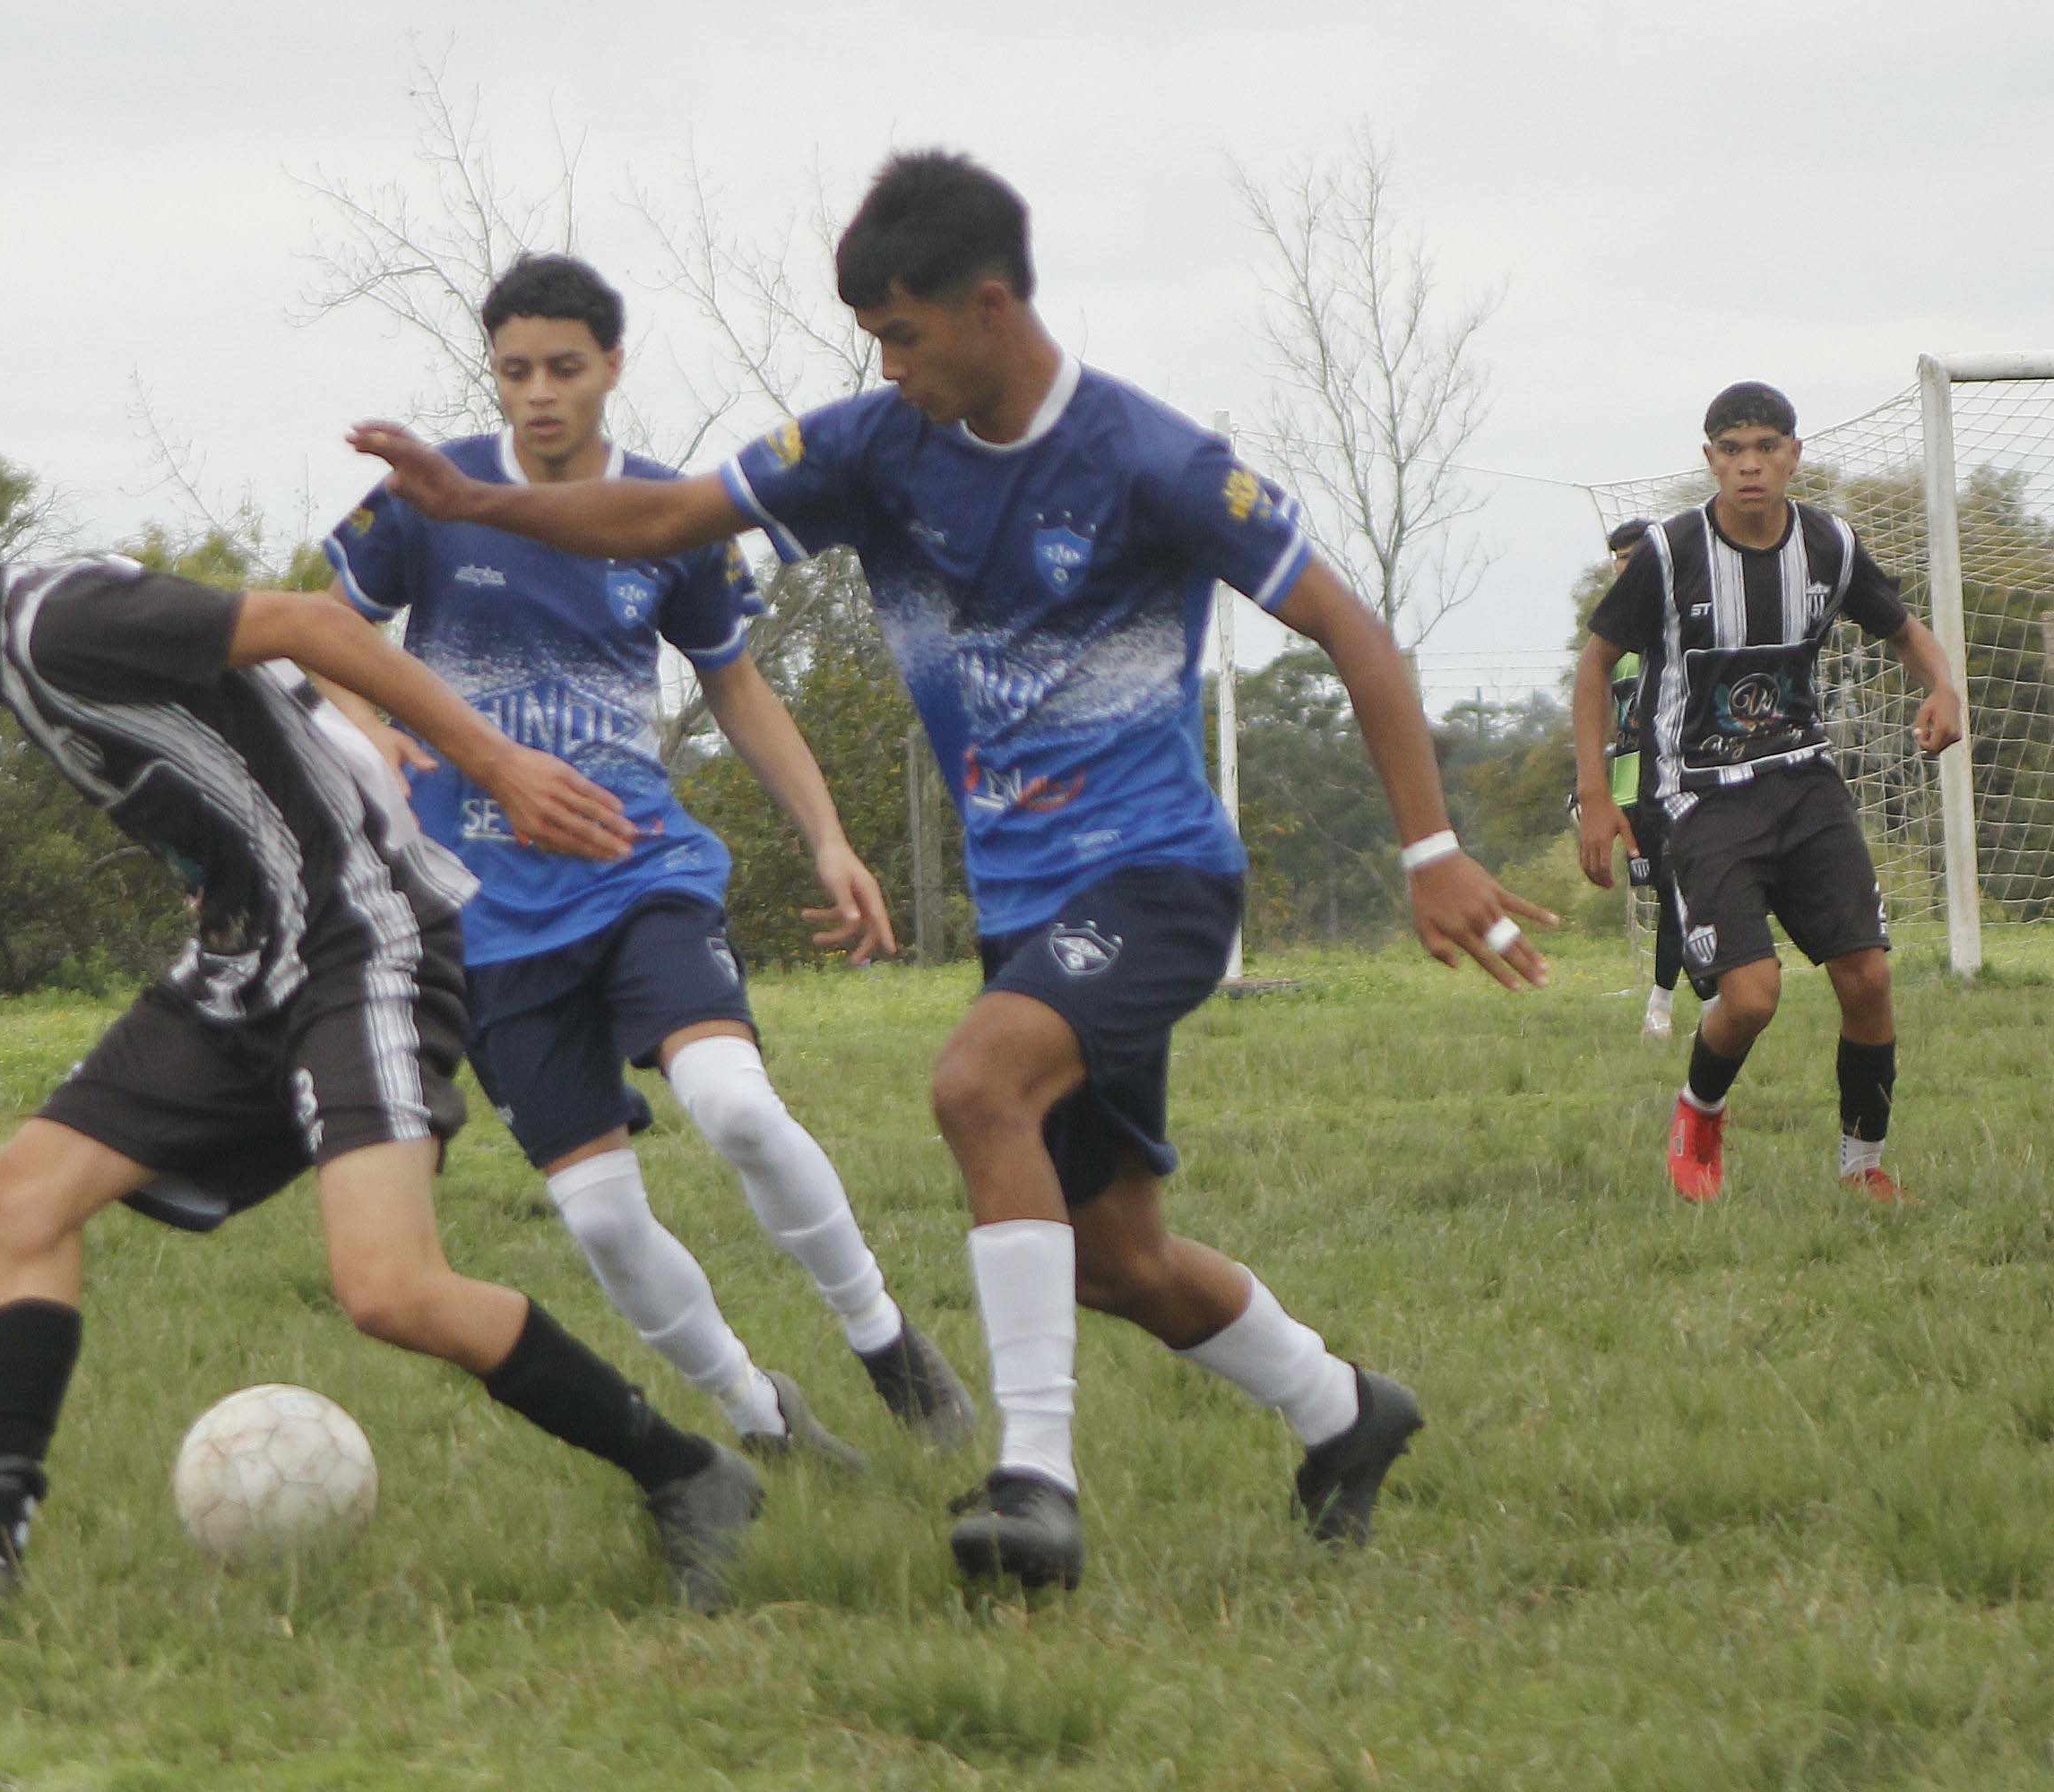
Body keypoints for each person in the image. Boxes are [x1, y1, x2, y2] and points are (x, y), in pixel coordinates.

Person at [350, 151, 1554, 1589]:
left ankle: (1033, 1482)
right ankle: (1343, 1410)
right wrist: (471, 508)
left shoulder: (1152, 461)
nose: (886, 363)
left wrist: (1432, 850)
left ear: (988, 307)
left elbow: (1357, 632)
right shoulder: (872, 445)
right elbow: (666, 522)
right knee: (1114, 1259)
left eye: (901, 334)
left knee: (978, 1082)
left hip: (1158, 876)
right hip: (1031, 903)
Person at [0, 480, 764, 1616]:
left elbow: (312, 623)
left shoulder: (55, 622)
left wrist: (491, 762)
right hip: (250, 961)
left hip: (360, 944)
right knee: (22, 1198)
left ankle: (690, 1473)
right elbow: (257, 693)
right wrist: (288, 802)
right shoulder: (27, 656)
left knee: (390, 1288)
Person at [320, 253, 973, 1469]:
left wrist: (829, 838)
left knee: (732, 1103)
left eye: (565, 368)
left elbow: (735, 682)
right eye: (515, 371)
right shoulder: (431, 493)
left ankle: (884, 1339)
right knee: (602, 1217)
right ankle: (760, 1417)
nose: (539, 394)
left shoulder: (668, 513)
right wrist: (369, 722)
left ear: (612, 367)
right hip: (489, 916)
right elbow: (315, 634)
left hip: (640, 872)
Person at [1572, 382, 1964, 1204]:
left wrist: (1942, 687)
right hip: (1700, 798)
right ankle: (1699, 1111)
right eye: (1731, 450)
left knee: (1867, 976)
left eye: (1765, 448)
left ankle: (1864, 1166)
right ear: (1709, 459)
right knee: (1752, 999)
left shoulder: (1830, 546)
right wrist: (1598, 797)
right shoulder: (1670, 554)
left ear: (1793, 454)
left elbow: (1901, 627)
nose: (1749, 466)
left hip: (1804, 782)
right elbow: (1596, 662)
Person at [1588, 515, 1687, 1040]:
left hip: (1674, 788)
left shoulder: (1676, 626)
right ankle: (1693, 1001)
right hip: (1628, 794)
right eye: (1619, 561)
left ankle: (1663, 1007)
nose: (1625, 569)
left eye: (1633, 558)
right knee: (1664, 897)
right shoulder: (1613, 638)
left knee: (1679, 894)